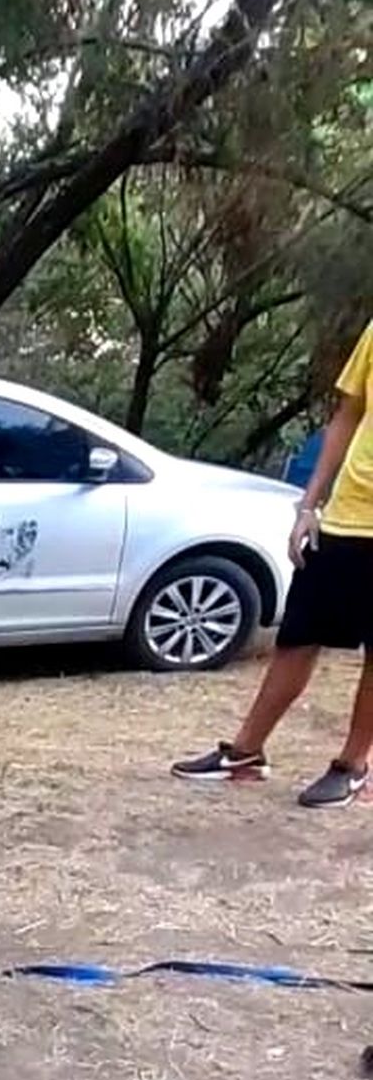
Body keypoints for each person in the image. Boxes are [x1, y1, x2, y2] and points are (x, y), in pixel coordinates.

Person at [173, 317, 373, 806]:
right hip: (346, 517)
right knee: (298, 638)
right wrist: (310, 505)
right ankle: (245, 753)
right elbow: (348, 415)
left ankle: (352, 765)